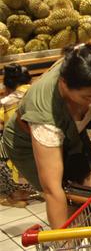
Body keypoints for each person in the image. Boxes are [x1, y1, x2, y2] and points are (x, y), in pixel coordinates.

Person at [1, 41, 91, 228]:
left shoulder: (85, 61)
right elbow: (52, 190)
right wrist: (63, 241)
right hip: (28, 143)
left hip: (73, 136)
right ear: (63, 83)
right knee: (67, 195)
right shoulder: (45, 113)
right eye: (87, 97)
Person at [0, 64, 34, 206]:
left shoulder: (7, 102)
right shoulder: (37, 92)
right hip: (50, 166)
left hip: (25, 168)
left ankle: (17, 195)